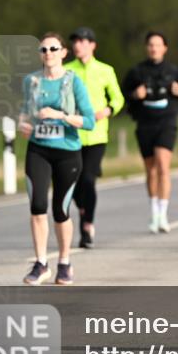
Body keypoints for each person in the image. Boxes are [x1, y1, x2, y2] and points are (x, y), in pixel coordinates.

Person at [18, 32, 96, 285]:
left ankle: (64, 262)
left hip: (67, 152)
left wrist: (61, 116)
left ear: (63, 53)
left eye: (53, 48)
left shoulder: (74, 83)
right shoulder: (31, 81)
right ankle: (41, 263)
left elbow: (89, 121)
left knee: (60, 210)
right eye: (43, 50)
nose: (48, 53)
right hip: (38, 149)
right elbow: (24, 113)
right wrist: (23, 124)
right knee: (37, 205)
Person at [65, 26, 125, 249]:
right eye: (75, 41)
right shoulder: (66, 70)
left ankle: (87, 225)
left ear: (92, 45)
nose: (77, 45)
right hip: (71, 136)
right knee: (71, 183)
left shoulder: (105, 70)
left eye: (82, 41)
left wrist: (108, 110)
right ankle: (83, 208)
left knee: (88, 179)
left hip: (97, 135)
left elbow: (118, 99)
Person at [122, 31, 178, 234]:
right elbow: (124, 96)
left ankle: (164, 214)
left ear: (165, 48)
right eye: (150, 45)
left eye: (158, 45)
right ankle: (154, 212)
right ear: (146, 48)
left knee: (163, 166)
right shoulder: (137, 71)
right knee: (151, 170)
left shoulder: (173, 71)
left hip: (166, 122)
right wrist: (135, 94)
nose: (154, 48)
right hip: (145, 123)